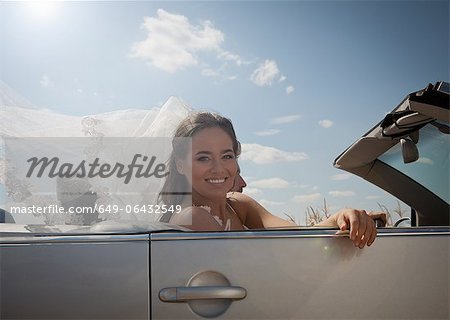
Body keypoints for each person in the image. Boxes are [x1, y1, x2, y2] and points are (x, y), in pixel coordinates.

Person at [159, 112, 386, 248]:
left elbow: (298, 236)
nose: (218, 169)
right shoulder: (192, 217)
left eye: (226, 156)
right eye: (203, 158)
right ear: (180, 164)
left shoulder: (239, 205)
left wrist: (341, 217)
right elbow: (255, 267)